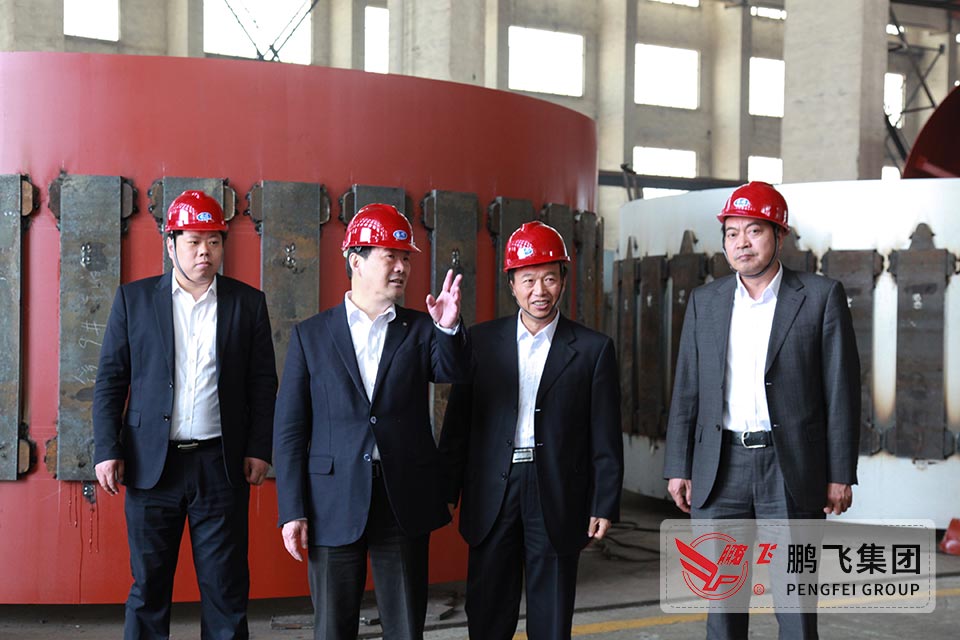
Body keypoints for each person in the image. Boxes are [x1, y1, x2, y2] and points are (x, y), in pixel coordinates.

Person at [663, 181, 861, 639]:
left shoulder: (819, 296)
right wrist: (678, 465)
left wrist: (839, 473)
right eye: (732, 233)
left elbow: (841, 390)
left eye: (754, 231)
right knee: (722, 604)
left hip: (790, 468)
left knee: (795, 605)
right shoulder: (706, 302)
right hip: (720, 467)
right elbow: (687, 389)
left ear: (779, 236)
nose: (742, 243)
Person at [272, 203, 467, 640]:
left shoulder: (422, 328)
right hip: (332, 499)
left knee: (405, 627)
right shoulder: (311, 335)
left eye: (406, 258)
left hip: (402, 498)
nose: (401, 268)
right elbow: (290, 430)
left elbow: (452, 372)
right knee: (332, 627)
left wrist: (448, 329)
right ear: (355, 261)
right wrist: (292, 510)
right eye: (389, 257)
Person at [93, 190, 278, 639]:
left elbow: (263, 385)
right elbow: (111, 381)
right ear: (170, 243)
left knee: (225, 589)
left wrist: (259, 448)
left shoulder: (246, 304)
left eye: (214, 242)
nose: (204, 252)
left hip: (220, 466)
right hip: (151, 466)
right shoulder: (135, 301)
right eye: (194, 241)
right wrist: (107, 449)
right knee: (149, 587)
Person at [438, 221, 623, 640]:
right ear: (512, 285)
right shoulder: (480, 342)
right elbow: (458, 424)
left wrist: (604, 502)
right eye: (528, 280)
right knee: (487, 611)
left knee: (552, 616)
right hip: (494, 489)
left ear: (563, 281)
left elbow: (605, 435)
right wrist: (446, 491)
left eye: (550, 279)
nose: (540, 290)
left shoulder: (592, 350)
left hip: (555, 489)